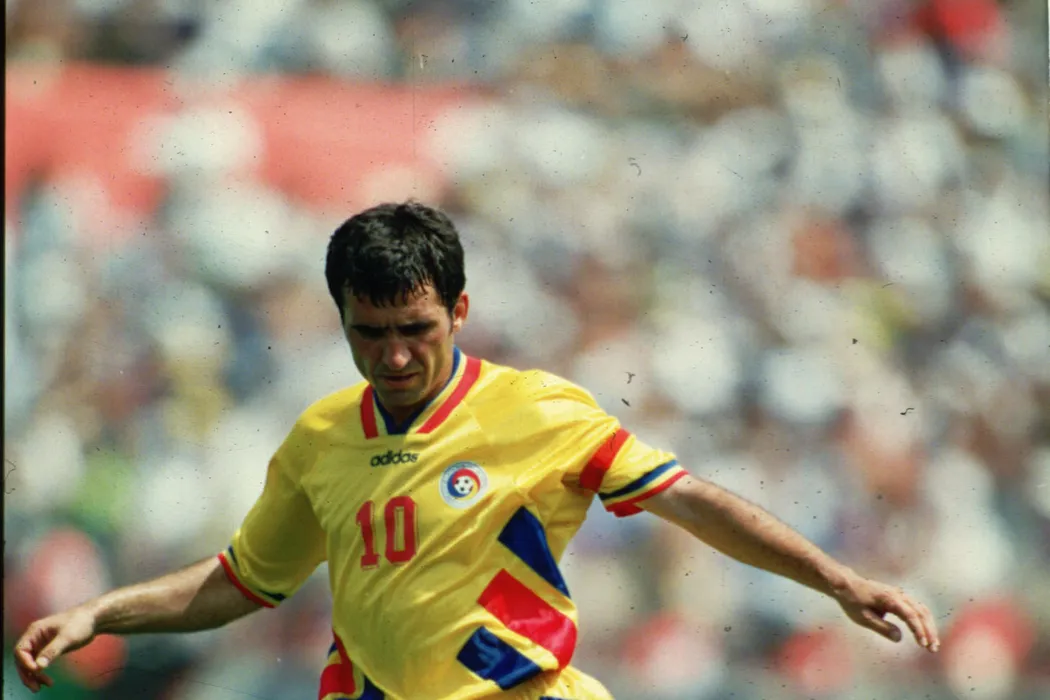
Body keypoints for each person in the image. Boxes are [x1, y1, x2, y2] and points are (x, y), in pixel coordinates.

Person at [14, 201, 940, 699]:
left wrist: (835, 579)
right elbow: (242, 583)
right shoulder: (321, 438)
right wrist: (103, 612)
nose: (395, 356)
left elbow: (688, 499)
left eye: (415, 328)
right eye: (370, 333)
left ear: (459, 310)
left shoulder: (535, 410)